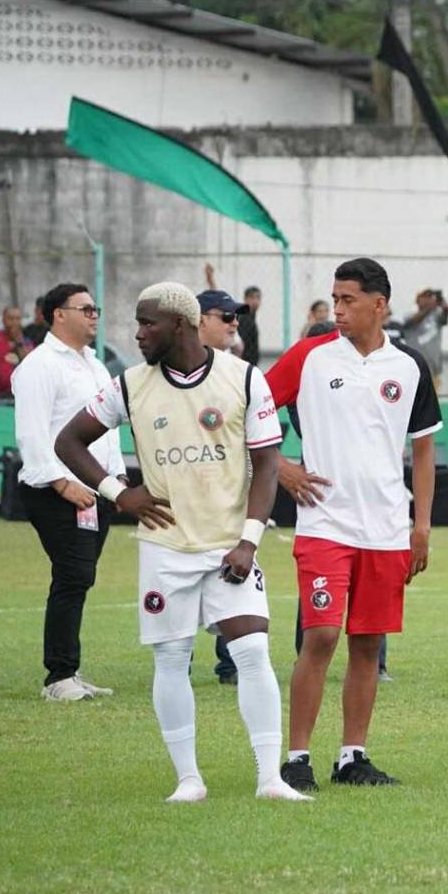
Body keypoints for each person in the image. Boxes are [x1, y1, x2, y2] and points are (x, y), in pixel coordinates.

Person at [55, 281, 308, 803]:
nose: (138, 333)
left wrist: (249, 541)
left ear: (180, 324)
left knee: (254, 652)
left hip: (229, 546)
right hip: (165, 549)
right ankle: (188, 779)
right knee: (172, 660)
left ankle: (269, 779)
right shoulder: (129, 385)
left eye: (148, 323)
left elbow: (266, 466)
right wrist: (117, 493)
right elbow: (68, 441)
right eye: (139, 322)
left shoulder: (243, 379)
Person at [267, 258, 441, 792]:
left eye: (347, 300)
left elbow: (425, 449)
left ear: (379, 305)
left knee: (368, 644)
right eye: (334, 299)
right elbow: (246, 411)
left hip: (388, 528)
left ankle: (352, 757)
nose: (336, 309)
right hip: (325, 525)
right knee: (319, 635)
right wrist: (281, 466)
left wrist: (421, 527)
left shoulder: (409, 366)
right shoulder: (311, 356)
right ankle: (296, 758)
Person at [12, 283, 123, 701]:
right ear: (58, 314)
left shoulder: (94, 363)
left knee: (80, 577)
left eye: (97, 308)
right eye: (86, 308)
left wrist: (112, 480)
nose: (95, 315)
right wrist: (61, 482)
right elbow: (33, 431)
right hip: (57, 488)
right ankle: (59, 676)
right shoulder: (41, 365)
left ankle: (69, 673)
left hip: (98, 488)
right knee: (73, 574)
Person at [197, 288, 252, 686]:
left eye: (237, 317)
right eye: (226, 316)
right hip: (183, 495)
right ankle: (175, 661)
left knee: (232, 573)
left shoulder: (241, 372)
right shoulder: (163, 370)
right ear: (198, 319)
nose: (234, 323)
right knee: (179, 580)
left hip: (229, 495)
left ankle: (230, 664)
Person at [401, 288, 448, 393]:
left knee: (434, 398)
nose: (428, 300)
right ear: (418, 300)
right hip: (415, 365)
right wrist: (429, 308)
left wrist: (444, 306)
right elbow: (411, 322)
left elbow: (445, 317)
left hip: (434, 365)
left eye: (430, 297)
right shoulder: (409, 315)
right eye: (425, 297)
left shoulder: (436, 316)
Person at [0, 304, 34, 397]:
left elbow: (31, 363)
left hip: (21, 394)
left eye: (17, 319)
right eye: (11, 318)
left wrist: (19, 342)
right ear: (3, 320)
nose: (14, 322)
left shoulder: (27, 342)